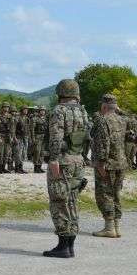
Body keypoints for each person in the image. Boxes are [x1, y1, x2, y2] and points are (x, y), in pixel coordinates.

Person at [43, 79, 90, 259]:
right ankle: (69, 245)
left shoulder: (59, 111)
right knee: (72, 200)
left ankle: (63, 246)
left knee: (59, 200)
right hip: (77, 159)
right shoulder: (82, 111)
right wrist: (82, 157)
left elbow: (56, 136)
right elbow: (87, 137)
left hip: (62, 160)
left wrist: (54, 159)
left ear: (60, 93)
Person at [92, 93, 127, 238]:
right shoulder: (122, 120)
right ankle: (117, 228)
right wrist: (118, 110)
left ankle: (109, 228)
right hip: (121, 163)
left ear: (104, 106)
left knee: (105, 195)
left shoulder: (102, 120)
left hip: (108, 164)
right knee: (116, 194)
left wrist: (100, 163)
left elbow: (102, 144)